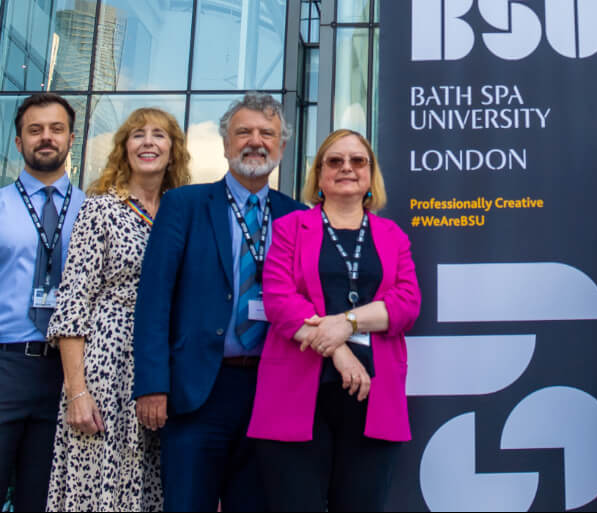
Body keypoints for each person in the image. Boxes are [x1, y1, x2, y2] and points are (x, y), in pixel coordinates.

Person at [134, 93, 305, 511]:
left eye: (267, 134)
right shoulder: (184, 205)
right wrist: (153, 384)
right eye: (243, 131)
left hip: (270, 390)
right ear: (226, 144)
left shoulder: (297, 217)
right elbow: (154, 301)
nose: (255, 141)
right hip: (197, 391)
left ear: (281, 147)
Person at [248, 129, 420, 512]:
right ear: (320, 175)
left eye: (358, 161)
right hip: (296, 392)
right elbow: (279, 301)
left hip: (373, 396)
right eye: (335, 161)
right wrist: (339, 348)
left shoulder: (392, 236)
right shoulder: (291, 227)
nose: (347, 168)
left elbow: (407, 303)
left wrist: (347, 322)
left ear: (370, 175)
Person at [45, 108, 188, 512]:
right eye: (137, 135)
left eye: (159, 135)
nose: (148, 142)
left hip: (163, 364)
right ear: (124, 150)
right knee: (100, 483)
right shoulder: (100, 209)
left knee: (154, 485)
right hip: (107, 364)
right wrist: (77, 392)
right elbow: (73, 302)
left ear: (173, 150)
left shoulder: (181, 213)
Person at [0, 93, 85, 512]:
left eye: (56, 129)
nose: (45, 138)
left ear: (71, 139)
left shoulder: (94, 213)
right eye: (35, 130)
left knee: (48, 502)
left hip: (66, 377)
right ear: (18, 142)